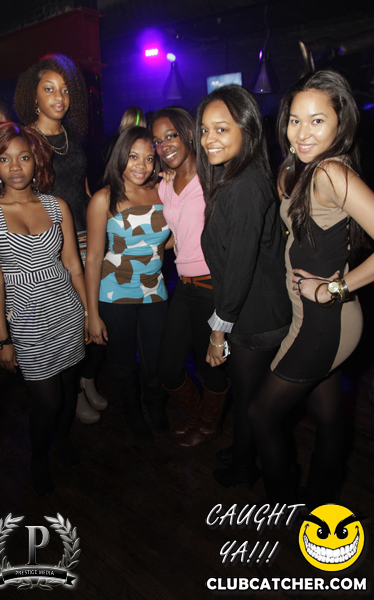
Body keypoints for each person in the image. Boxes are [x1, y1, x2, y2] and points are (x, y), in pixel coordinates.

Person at [247, 69, 374, 506]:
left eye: (317, 120)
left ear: (342, 122)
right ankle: (323, 496)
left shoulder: (331, 172)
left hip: (325, 322)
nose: (301, 133)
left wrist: (334, 289)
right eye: (295, 120)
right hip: (322, 319)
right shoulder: (306, 165)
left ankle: (284, 505)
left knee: (261, 415)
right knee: (327, 414)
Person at [0, 122, 88, 496]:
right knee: (47, 399)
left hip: (67, 311)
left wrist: (88, 314)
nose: (16, 166)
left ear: (36, 160)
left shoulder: (57, 206)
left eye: (23, 157)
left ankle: (63, 440)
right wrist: (1, 340)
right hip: (26, 319)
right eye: (4, 159)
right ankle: (39, 458)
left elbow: (73, 264)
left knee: (68, 389)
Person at [196, 85, 291, 487]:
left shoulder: (245, 185)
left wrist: (218, 332)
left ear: (247, 130)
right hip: (253, 311)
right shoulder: (232, 177)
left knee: (252, 402)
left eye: (221, 129)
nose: (209, 139)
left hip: (256, 317)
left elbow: (238, 268)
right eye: (204, 130)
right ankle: (241, 452)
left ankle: (244, 467)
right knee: (248, 397)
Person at [14, 52, 107, 424]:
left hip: (87, 234)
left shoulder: (73, 134)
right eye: (49, 89)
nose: (59, 97)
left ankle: (87, 379)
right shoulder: (24, 139)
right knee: (70, 318)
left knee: (96, 312)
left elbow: (82, 186)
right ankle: (74, 389)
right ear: (33, 95)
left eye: (65, 90)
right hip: (54, 243)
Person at [85, 126, 170, 441]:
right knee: (122, 365)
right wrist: (92, 314)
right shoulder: (104, 198)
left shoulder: (162, 191)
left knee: (155, 362)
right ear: (120, 156)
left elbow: (167, 241)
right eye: (133, 156)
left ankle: (155, 405)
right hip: (115, 291)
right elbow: (94, 258)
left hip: (155, 289)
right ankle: (132, 414)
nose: (141, 165)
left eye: (149, 158)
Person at [150, 107, 228, 447]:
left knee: (210, 366)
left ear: (190, 134)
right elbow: (176, 232)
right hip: (183, 286)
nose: (164, 145)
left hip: (212, 286)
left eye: (171, 135)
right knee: (167, 367)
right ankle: (197, 415)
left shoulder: (212, 177)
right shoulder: (165, 185)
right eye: (157, 140)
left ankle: (209, 425)